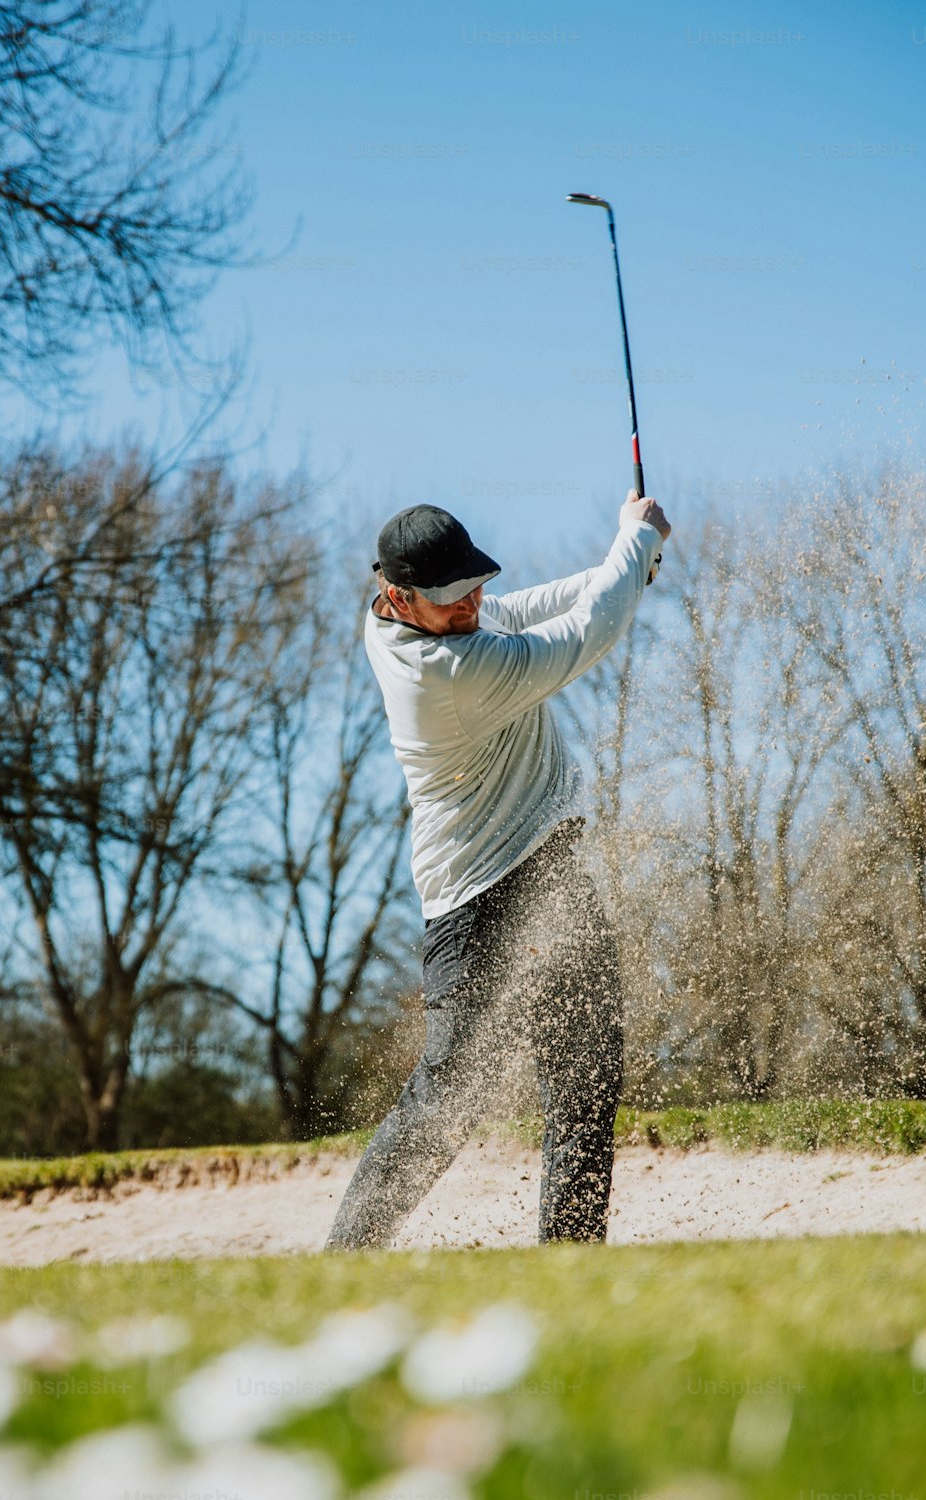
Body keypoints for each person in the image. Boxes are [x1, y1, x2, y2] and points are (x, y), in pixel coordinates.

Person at [325, 491, 671, 1249]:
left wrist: (624, 562)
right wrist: (632, 544)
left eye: (473, 586)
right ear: (399, 597)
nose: (472, 606)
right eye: (452, 600)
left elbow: (523, 607)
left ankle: (570, 1263)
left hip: (551, 874)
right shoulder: (443, 675)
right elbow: (581, 637)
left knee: (587, 1071)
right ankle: (343, 1260)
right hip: (479, 905)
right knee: (449, 1098)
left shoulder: (430, 615)